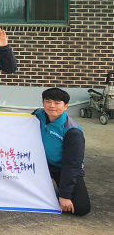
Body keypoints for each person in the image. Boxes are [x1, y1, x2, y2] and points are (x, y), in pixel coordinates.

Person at [33, 88, 90, 216]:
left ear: (65, 106)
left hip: (63, 168)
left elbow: (72, 165)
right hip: (41, 164)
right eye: (48, 101)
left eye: (57, 102)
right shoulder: (37, 115)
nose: (52, 106)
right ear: (43, 103)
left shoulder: (72, 131)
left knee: (81, 208)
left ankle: (58, 191)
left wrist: (65, 195)